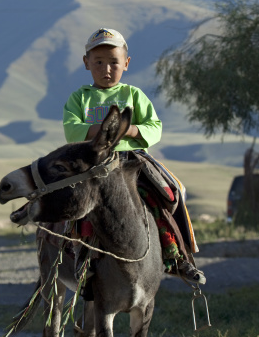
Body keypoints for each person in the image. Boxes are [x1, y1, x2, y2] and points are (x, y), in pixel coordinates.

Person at [63, 27, 205, 285]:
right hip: (94, 165)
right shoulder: (79, 98)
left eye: (114, 62)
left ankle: (177, 255)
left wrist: (128, 129)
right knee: (78, 201)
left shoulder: (134, 95)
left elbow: (155, 127)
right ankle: (82, 255)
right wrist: (105, 130)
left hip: (132, 163)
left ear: (126, 63)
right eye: (99, 62)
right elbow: (72, 130)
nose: (106, 69)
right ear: (86, 63)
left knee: (170, 191)